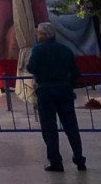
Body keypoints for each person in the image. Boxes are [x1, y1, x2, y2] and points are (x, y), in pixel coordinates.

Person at [27, 22, 86, 173]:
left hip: (46, 92)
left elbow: (31, 68)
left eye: (39, 33)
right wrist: (68, 84)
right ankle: (79, 159)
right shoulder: (65, 50)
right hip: (64, 91)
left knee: (49, 129)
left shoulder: (38, 50)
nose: (38, 36)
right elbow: (76, 72)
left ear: (44, 35)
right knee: (71, 127)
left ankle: (56, 161)